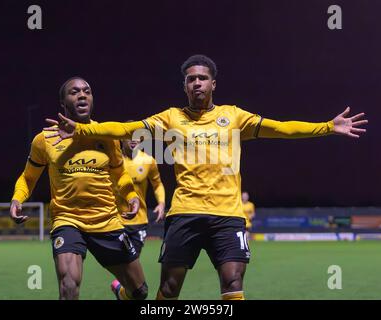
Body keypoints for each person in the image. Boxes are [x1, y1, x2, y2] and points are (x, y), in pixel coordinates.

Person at [44, 55, 367, 300]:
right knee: (169, 289)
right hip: (184, 213)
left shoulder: (235, 117)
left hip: (227, 215)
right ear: (184, 86)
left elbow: (281, 127)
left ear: (213, 84)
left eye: (202, 78)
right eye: (191, 79)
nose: (197, 83)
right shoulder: (171, 118)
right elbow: (126, 129)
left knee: (233, 282)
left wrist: (327, 126)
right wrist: (84, 129)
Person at [10, 77, 148, 300]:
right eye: (74, 92)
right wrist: (18, 199)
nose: (82, 95)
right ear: (63, 102)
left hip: (107, 221)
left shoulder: (106, 134)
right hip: (68, 221)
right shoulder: (44, 140)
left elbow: (119, 173)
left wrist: (130, 195)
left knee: (139, 292)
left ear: (92, 99)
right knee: (69, 287)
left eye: (87, 91)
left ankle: (121, 293)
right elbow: (28, 177)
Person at [110, 137, 166, 298]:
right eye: (129, 138)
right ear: (121, 139)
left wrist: (161, 203)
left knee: (132, 267)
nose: (134, 141)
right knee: (124, 266)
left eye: (138, 138)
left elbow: (157, 184)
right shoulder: (113, 160)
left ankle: (120, 290)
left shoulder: (148, 160)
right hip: (116, 220)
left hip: (139, 222)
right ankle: (123, 287)